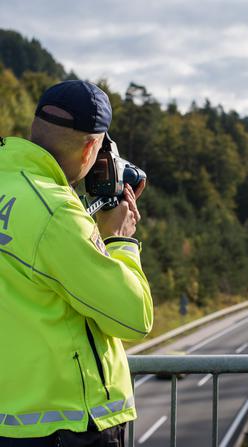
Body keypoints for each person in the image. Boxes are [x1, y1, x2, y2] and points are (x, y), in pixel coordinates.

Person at [0, 80, 153, 446]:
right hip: (62, 428)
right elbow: (134, 317)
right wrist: (120, 239)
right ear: (90, 147)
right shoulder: (55, 212)